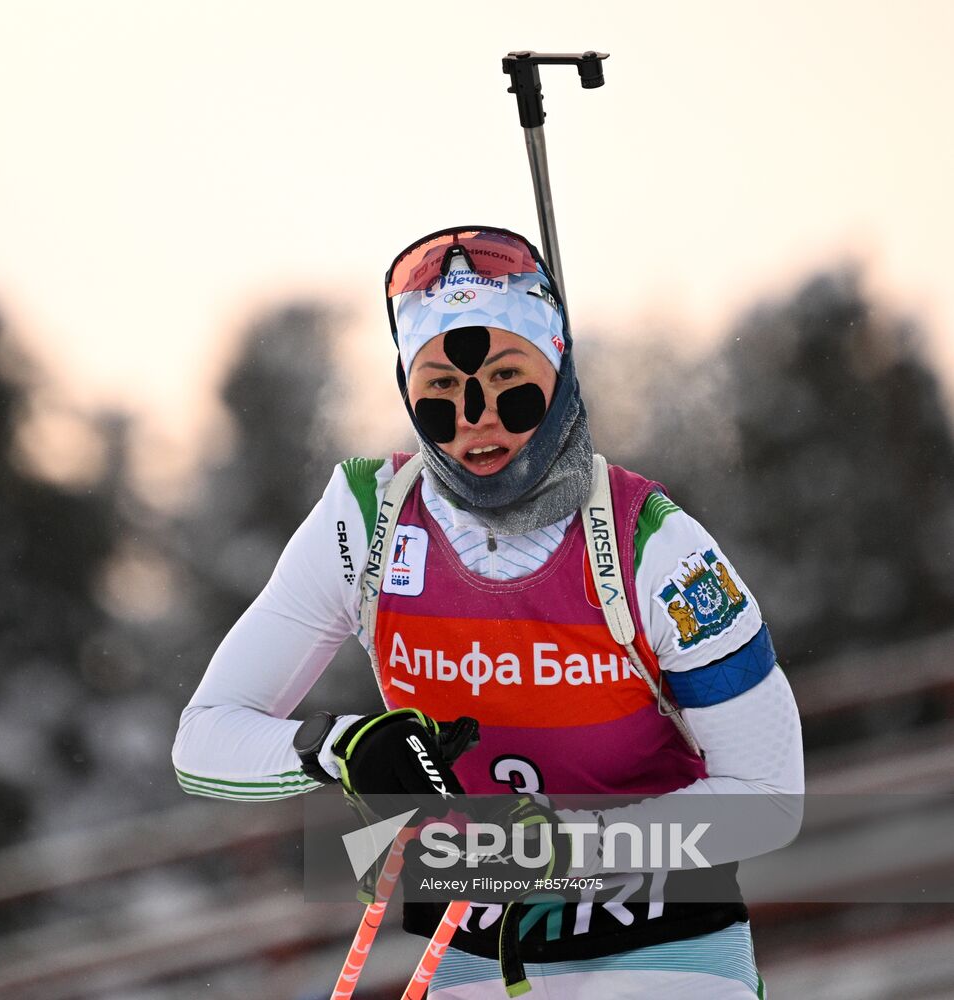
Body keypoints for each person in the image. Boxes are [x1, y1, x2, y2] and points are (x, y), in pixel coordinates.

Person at [172, 227, 804, 999]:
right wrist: (342, 748)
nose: (478, 417)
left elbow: (769, 797)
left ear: (560, 364)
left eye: (509, 377)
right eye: (439, 388)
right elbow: (204, 742)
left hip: (665, 949)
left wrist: (568, 849)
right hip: (469, 951)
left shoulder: (652, 547)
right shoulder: (365, 524)